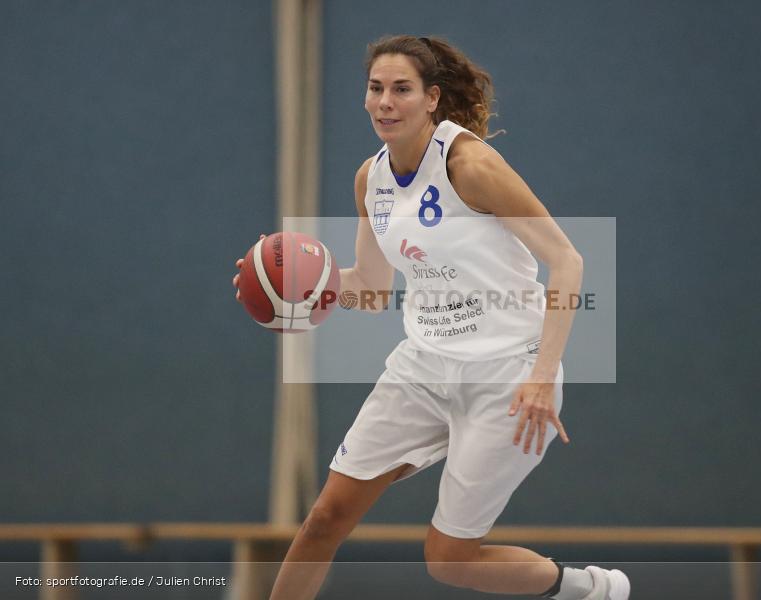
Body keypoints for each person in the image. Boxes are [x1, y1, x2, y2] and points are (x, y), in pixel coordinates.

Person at [233, 34, 629, 600]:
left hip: (506, 378)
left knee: (448, 560)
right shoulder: (369, 180)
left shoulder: (470, 164)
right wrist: (290, 290)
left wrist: (542, 376)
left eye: (402, 89)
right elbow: (369, 288)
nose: (385, 102)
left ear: (432, 99)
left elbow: (567, 260)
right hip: (423, 367)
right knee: (325, 517)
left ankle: (591, 590)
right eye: (375, 89)